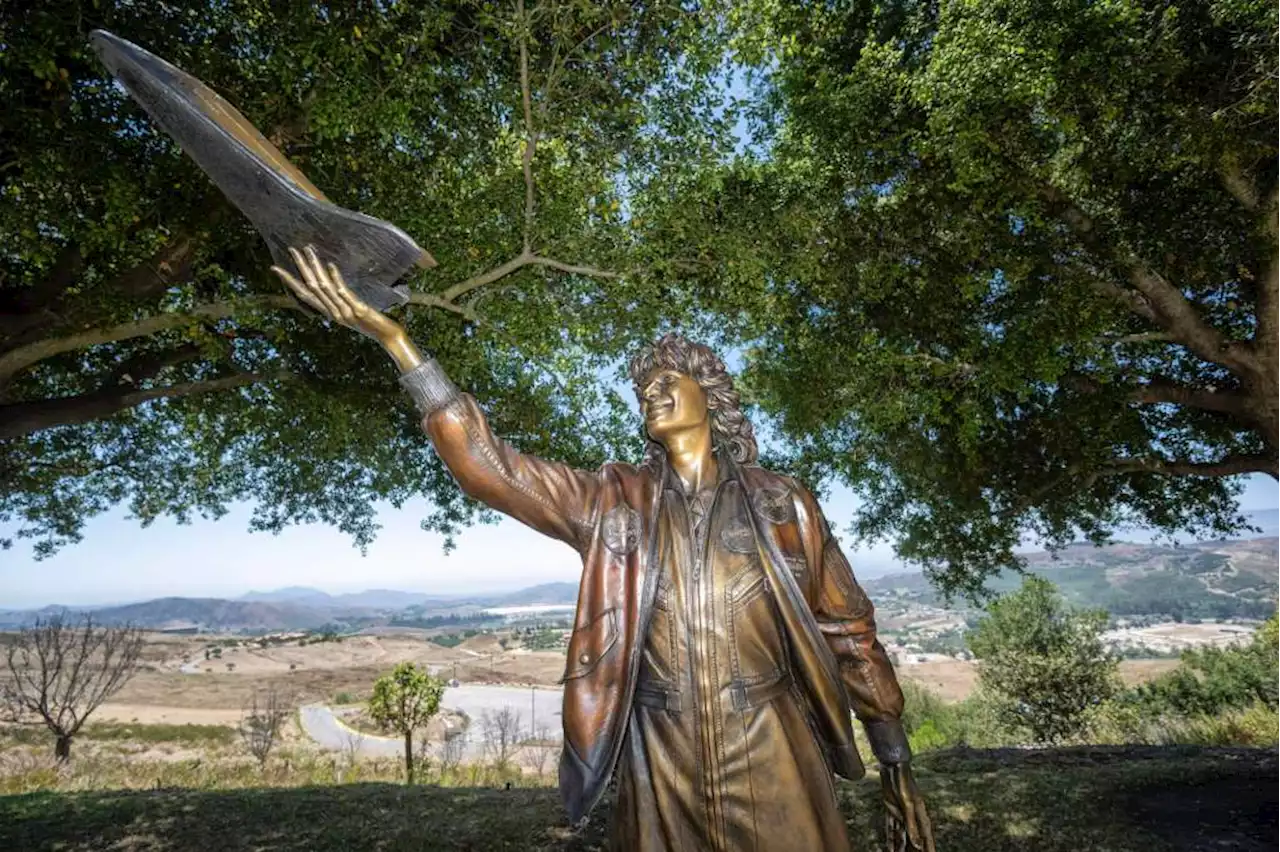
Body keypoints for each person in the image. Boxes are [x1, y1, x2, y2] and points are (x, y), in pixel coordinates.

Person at [273, 245, 934, 852]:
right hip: (660, 757)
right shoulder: (614, 500)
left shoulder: (782, 504)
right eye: (645, 389)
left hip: (773, 744)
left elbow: (850, 631)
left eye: (671, 381)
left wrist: (895, 763)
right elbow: (492, 469)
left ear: (713, 397)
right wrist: (397, 342)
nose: (654, 392)